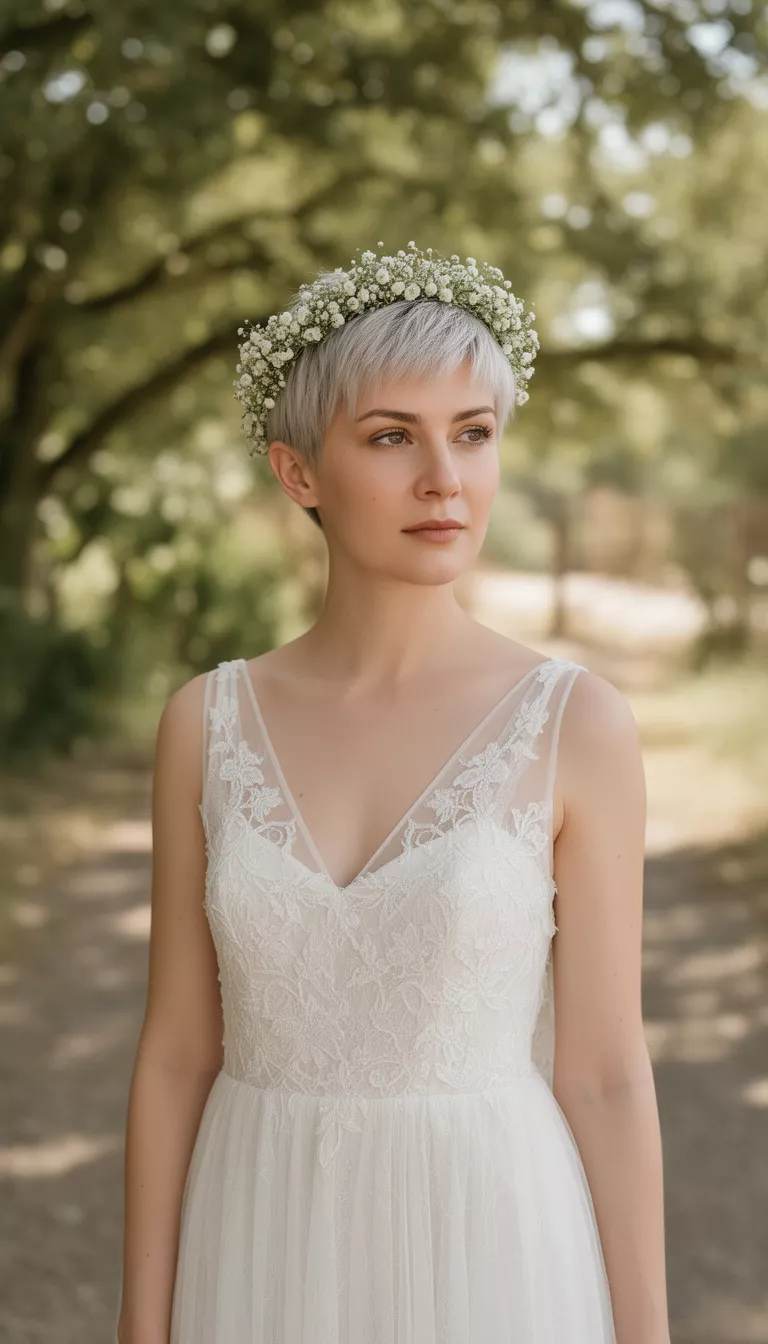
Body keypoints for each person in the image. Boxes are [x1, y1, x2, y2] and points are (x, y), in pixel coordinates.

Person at [116, 244, 670, 1344]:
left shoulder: (577, 724)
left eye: (473, 432)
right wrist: (143, 1324)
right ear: (298, 473)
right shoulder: (204, 723)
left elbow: (606, 1074)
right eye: (391, 438)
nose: (445, 479)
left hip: (493, 1247)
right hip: (258, 1234)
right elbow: (178, 1051)